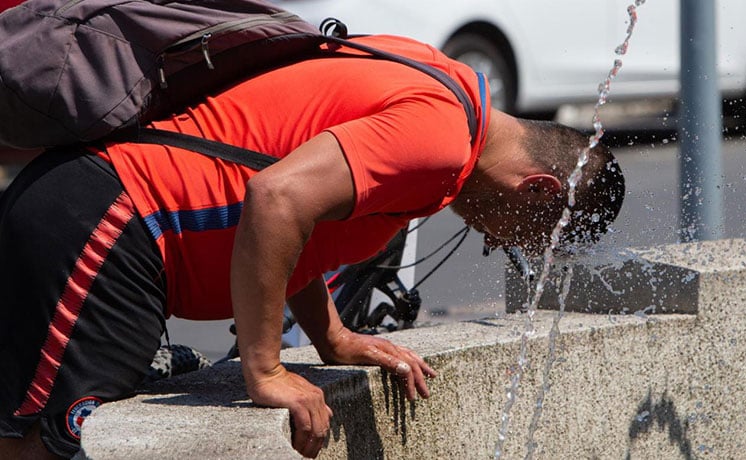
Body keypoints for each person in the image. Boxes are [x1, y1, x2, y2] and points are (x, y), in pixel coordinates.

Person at [0, 34, 625, 459]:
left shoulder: (449, 86)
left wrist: (331, 338)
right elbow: (276, 200)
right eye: (517, 238)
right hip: (110, 221)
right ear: (540, 191)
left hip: (112, 217)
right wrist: (266, 371)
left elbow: (301, 223)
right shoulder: (439, 144)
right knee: (55, 441)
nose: (491, 242)